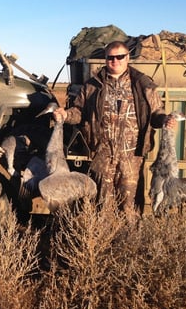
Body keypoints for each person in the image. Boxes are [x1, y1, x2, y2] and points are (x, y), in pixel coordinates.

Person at [54, 40, 175, 217]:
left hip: (132, 156)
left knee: (130, 207)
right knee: (102, 206)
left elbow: (156, 113)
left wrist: (165, 120)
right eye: (111, 57)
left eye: (120, 57)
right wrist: (65, 115)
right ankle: (104, 241)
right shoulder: (92, 86)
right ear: (105, 59)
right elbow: (79, 112)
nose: (115, 61)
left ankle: (129, 243)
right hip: (102, 155)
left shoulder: (143, 85)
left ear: (128, 58)